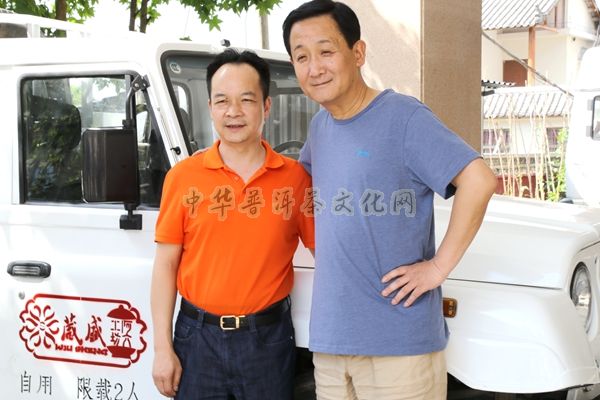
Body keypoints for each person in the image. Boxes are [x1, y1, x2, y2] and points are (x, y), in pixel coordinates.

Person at [282, 1, 497, 399]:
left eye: (326, 51)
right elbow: (305, 190)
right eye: (302, 57)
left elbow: (479, 181)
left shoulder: (403, 117)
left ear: (357, 53)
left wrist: (437, 268)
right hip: (331, 342)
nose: (315, 68)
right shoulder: (320, 127)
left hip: (398, 346)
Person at [150, 48, 315, 400]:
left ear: (266, 106)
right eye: (222, 100)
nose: (233, 111)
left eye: (246, 100)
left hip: (267, 340)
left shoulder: (295, 180)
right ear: (211, 107)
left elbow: (328, 252)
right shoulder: (183, 178)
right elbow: (165, 264)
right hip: (197, 339)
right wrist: (162, 348)